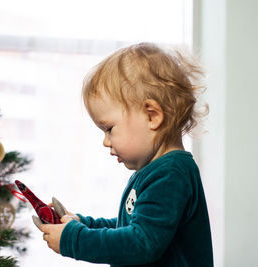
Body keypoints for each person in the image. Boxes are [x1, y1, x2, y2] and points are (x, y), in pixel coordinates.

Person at [35, 42, 213, 266]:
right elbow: (128, 228)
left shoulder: (170, 174)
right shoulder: (158, 171)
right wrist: (83, 224)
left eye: (109, 129)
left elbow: (141, 243)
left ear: (152, 116)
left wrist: (75, 239)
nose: (105, 141)